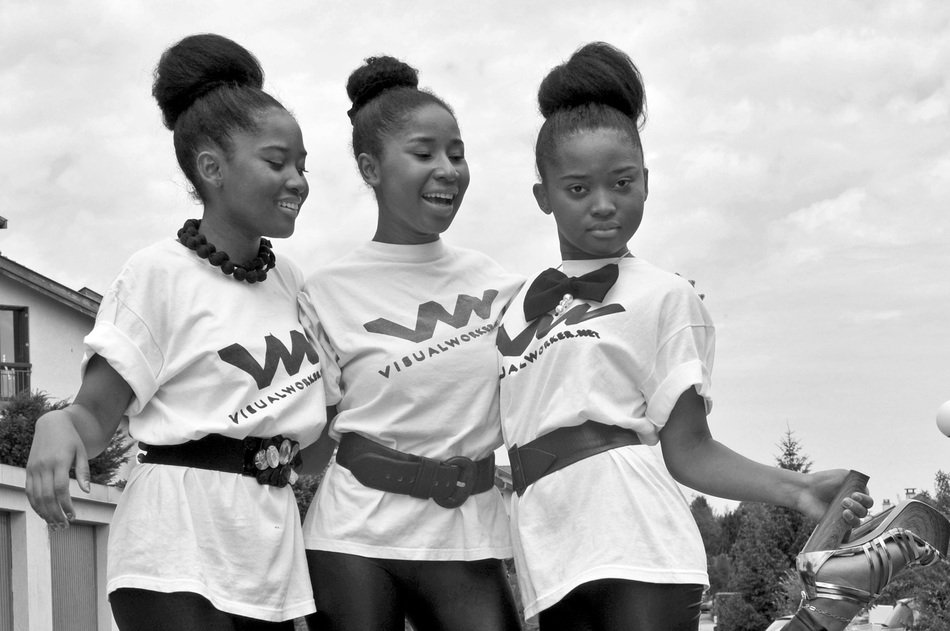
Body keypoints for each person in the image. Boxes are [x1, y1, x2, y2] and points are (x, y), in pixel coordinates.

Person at [493, 42, 944, 631]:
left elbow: (689, 448)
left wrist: (800, 490)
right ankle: (830, 601)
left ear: (646, 184)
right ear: (542, 196)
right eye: (578, 189)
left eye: (622, 183)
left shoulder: (664, 296)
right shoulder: (510, 310)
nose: (604, 205)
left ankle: (834, 599)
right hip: (546, 555)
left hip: (637, 546)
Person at [25, 33, 325, 630]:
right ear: (211, 168)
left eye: (301, 165)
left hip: (268, 553)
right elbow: (92, 417)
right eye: (276, 162)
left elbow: (312, 438)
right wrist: (55, 423)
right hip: (172, 551)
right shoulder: (157, 273)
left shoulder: (291, 282)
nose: (297, 180)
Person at [297, 55, 523, 631]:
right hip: (351, 536)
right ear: (371, 168)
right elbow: (310, 435)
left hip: (468, 536)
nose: (448, 169)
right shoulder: (322, 292)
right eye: (424, 154)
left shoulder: (499, 285)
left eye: (457, 153)